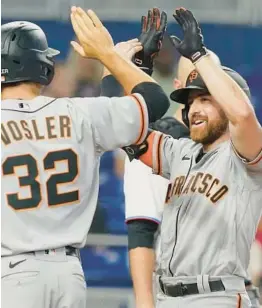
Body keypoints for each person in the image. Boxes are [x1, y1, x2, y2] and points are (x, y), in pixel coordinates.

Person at [1, 7, 169, 308]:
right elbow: (154, 101)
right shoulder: (80, 113)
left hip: (11, 272)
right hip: (69, 275)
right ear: (45, 67)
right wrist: (109, 56)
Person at [124, 7, 262, 308]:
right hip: (167, 296)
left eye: (205, 99)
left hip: (217, 295)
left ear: (227, 101)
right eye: (190, 102)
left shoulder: (246, 157)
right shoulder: (181, 152)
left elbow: (242, 114)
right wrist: (140, 69)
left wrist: (200, 56)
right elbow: (126, 130)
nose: (193, 109)